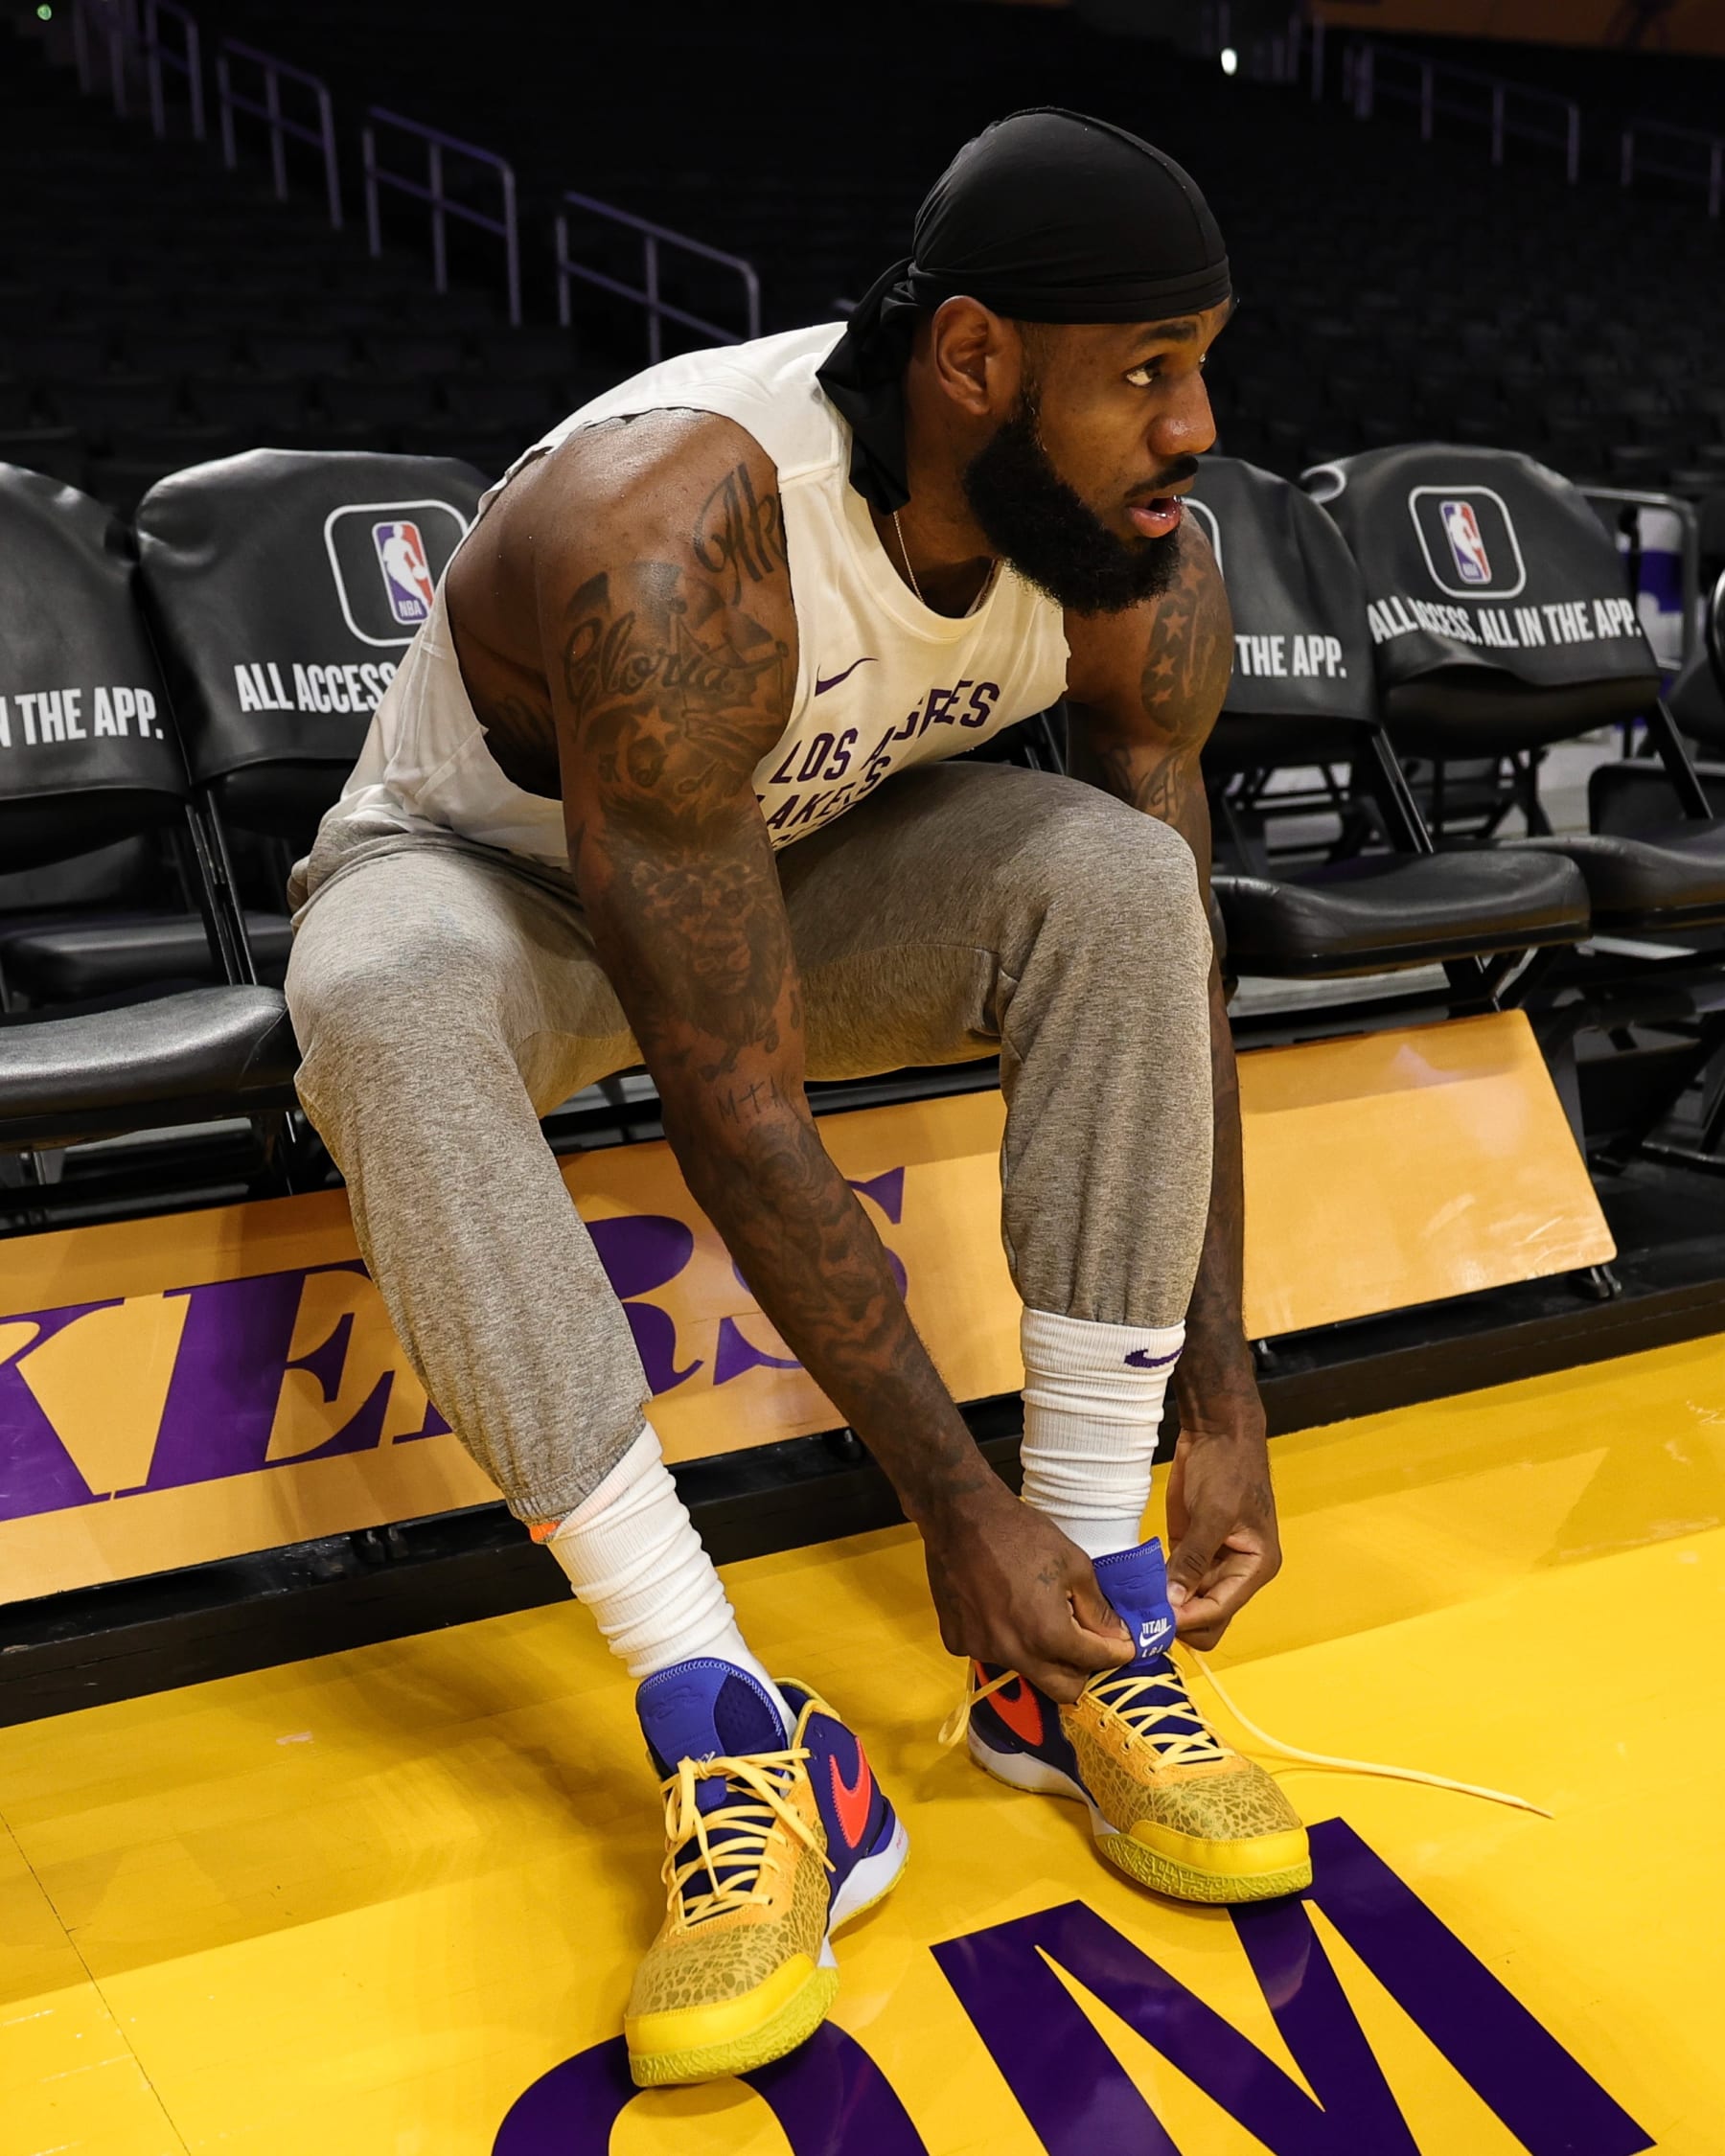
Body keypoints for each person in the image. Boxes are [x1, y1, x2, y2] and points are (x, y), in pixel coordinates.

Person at [285, 107, 1306, 2089]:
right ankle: (734, 1730)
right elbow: (732, 1095)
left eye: (1207, 364)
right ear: (976, 363)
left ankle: (1084, 1642)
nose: (1194, 426)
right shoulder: (685, 539)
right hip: (492, 883)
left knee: (1122, 888)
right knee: (384, 1001)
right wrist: (946, 1499)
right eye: (1149, 374)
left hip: (782, 849)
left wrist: (1228, 1393)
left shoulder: (1136, 553)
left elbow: (1176, 960)